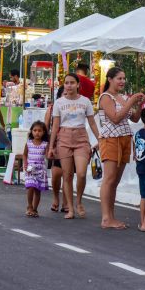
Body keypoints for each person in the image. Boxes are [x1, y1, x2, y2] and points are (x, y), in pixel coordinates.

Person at [97, 67, 144, 229]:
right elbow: (115, 118)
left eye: (124, 78)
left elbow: (136, 118)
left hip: (124, 139)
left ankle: (111, 216)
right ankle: (105, 218)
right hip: (110, 139)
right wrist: (131, 101)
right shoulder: (106, 97)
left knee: (115, 182)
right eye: (119, 78)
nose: (122, 81)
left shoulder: (123, 97)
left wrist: (139, 103)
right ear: (109, 79)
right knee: (109, 179)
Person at [48, 73, 100, 220]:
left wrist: (100, 139)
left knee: (82, 173)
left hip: (81, 137)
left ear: (78, 85)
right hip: (63, 137)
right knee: (67, 175)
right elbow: (56, 125)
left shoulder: (85, 102)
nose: (69, 85)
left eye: (72, 83)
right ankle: (70, 208)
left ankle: (79, 201)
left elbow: (92, 123)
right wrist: (51, 146)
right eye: (66, 83)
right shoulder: (59, 102)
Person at [44, 87, 66, 213]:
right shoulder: (52, 109)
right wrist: (47, 146)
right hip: (56, 143)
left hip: (71, 143)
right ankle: (56, 198)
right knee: (57, 174)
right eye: (64, 94)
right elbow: (46, 127)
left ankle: (66, 202)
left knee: (67, 175)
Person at [22, 121, 49, 217]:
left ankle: (35, 209)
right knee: (31, 186)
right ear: (31, 132)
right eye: (35, 130)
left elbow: (47, 156)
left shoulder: (45, 144)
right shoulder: (28, 143)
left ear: (44, 132)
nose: (37, 133)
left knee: (37, 190)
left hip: (40, 169)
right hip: (30, 168)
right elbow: (25, 154)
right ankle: (29, 206)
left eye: (40, 131)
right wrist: (25, 164)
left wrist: (51, 153)